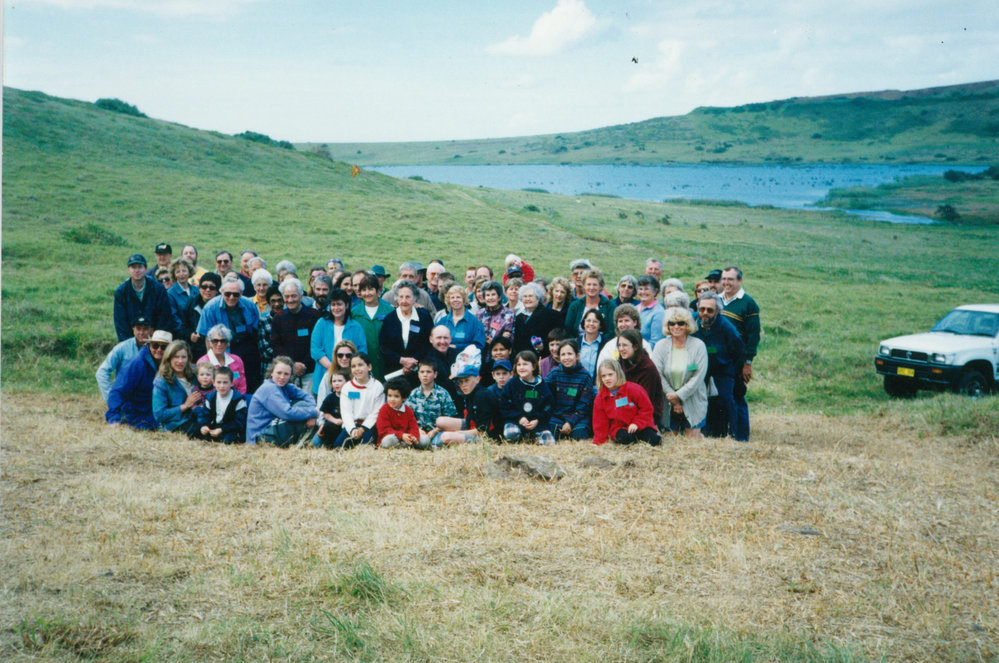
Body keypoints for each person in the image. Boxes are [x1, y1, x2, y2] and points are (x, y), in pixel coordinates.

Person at [693, 292, 744, 440]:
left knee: (727, 400)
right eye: (702, 309)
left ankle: (733, 435)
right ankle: (702, 431)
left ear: (718, 311)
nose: (705, 314)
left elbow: (738, 350)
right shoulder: (693, 323)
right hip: (699, 370)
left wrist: (736, 372)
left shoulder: (728, 329)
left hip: (722, 370)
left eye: (710, 310)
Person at [652, 307, 708, 437]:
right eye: (672, 323)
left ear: (687, 325)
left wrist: (679, 396)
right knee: (670, 442)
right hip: (668, 400)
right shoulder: (660, 345)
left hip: (693, 399)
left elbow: (698, 376)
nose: (676, 326)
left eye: (680, 323)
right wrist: (674, 399)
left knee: (692, 443)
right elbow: (657, 374)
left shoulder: (698, 345)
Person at [196, 278, 261, 391]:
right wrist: (212, 359)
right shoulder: (211, 307)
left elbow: (256, 329)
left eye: (235, 294)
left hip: (246, 345)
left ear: (241, 293)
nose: (231, 297)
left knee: (248, 380)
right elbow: (207, 337)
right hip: (222, 347)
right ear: (221, 292)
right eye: (227, 294)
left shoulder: (249, 305)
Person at [720, 266, 760, 442]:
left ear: (740, 281)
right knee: (721, 397)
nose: (726, 283)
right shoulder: (717, 300)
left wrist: (747, 362)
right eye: (724, 279)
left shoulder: (748, 303)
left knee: (737, 396)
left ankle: (741, 437)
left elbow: (753, 336)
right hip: (718, 358)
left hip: (737, 360)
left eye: (731, 279)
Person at [106, 329, 171, 430]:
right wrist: (114, 418)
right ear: (149, 345)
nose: (159, 349)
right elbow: (118, 391)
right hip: (138, 412)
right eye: (155, 345)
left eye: (164, 347)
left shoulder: (171, 363)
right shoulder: (136, 363)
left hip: (159, 410)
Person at [246, 356, 317, 447]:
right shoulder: (269, 388)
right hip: (260, 438)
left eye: (286, 374)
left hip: (272, 428)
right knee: (300, 408)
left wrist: (312, 411)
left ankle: (301, 443)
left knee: (302, 404)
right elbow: (287, 413)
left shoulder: (285, 386)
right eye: (279, 373)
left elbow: (307, 396)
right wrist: (314, 412)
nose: (282, 377)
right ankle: (303, 443)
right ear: (271, 373)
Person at [309, 287, 366, 394]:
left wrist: (348, 369)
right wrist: (333, 368)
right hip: (324, 374)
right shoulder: (322, 323)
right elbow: (315, 350)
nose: (336, 308)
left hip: (350, 376)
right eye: (333, 305)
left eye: (339, 304)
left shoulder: (356, 326)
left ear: (347, 305)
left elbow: (362, 352)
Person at [592, 359, 660, 446]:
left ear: (618, 374)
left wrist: (637, 423)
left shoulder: (633, 389)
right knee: (625, 439)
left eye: (610, 374)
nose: (607, 378)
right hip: (619, 428)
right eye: (603, 376)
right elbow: (600, 421)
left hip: (639, 424)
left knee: (654, 440)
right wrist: (598, 441)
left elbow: (646, 409)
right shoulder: (600, 398)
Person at [272, 277, 322, 392]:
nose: (290, 300)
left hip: (310, 371)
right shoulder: (278, 318)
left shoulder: (314, 316)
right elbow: (276, 345)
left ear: (301, 296)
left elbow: (317, 344)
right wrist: (292, 365)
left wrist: (303, 364)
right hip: (287, 372)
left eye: (294, 296)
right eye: (287, 296)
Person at [113, 253, 176, 341]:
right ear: (128, 269)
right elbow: (120, 323)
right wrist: (131, 343)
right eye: (133, 267)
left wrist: (155, 340)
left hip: (155, 339)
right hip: (130, 339)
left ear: (145, 269)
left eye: (140, 267)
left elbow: (164, 317)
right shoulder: (121, 292)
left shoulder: (158, 289)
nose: (137, 270)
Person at [379, 281, 433, 382]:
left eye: (408, 297)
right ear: (396, 298)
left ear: (415, 298)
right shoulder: (389, 319)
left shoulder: (424, 317)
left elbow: (428, 343)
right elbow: (383, 346)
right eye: (401, 297)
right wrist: (402, 360)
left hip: (419, 372)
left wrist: (412, 363)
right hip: (395, 371)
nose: (404, 301)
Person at [500, 350, 555, 445]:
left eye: (525, 364)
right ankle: (522, 437)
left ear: (533, 366)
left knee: (549, 442)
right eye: (518, 365)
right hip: (517, 421)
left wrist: (538, 420)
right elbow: (504, 405)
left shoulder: (542, 385)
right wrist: (519, 418)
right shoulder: (512, 384)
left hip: (537, 423)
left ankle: (532, 437)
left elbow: (548, 406)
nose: (521, 367)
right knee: (510, 433)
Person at [436, 364, 498, 445]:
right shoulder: (470, 392)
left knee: (446, 437)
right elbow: (470, 419)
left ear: (477, 379)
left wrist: (457, 432)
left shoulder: (482, 396)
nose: (463, 385)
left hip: (487, 436)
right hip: (473, 425)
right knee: (440, 421)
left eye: (467, 380)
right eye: (461, 382)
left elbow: (483, 431)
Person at [616, 328, 666, 428]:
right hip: (625, 407)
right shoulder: (621, 362)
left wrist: (619, 403)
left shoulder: (647, 369)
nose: (621, 349)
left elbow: (645, 402)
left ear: (635, 347)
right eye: (619, 345)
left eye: (625, 345)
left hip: (645, 413)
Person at [545, 340, 595, 440]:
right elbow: (544, 393)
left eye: (569, 354)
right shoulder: (554, 374)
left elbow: (584, 406)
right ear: (559, 357)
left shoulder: (585, 376)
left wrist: (570, 422)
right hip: (558, 415)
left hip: (578, 417)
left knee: (579, 435)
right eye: (563, 354)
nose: (566, 357)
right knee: (550, 433)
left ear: (577, 356)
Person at [97, 316, 154, 402]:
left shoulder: (158, 349)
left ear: (151, 330)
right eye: (138, 329)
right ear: (133, 330)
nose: (141, 332)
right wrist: (111, 398)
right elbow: (102, 372)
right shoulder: (122, 348)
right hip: (126, 397)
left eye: (145, 329)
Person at [152, 340, 203, 434]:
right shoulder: (161, 381)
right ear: (169, 358)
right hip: (177, 425)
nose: (180, 361)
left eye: (183, 357)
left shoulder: (195, 373)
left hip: (199, 417)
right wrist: (185, 406)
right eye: (176, 357)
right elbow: (159, 415)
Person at [405, 358, 458, 449]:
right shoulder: (413, 394)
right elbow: (407, 417)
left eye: (429, 372)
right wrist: (417, 429)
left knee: (439, 443)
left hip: (437, 432)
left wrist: (435, 431)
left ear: (435, 374)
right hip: (418, 431)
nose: (425, 375)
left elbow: (450, 418)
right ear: (418, 374)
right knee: (417, 441)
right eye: (422, 372)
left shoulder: (443, 394)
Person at [336, 352, 385, 448]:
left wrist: (362, 429)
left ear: (369, 367)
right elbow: (346, 412)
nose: (357, 369)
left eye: (360, 365)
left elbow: (377, 411)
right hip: (352, 426)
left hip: (369, 426)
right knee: (338, 447)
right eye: (353, 366)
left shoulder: (377, 386)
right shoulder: (347, 387)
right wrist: (352, 429)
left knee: (366, 447)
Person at [351, 273, 394, 380]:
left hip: (386, 363)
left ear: (378, 291)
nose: (367, 293)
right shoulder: (354, 313)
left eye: (370, 289)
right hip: (362, 363)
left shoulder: (389, 311)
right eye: (364, 290)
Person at [192, 365, 247, 444]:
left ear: (231, 383)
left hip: (230, 428)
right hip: (215, 426)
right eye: (219, 382)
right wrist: (204, 425)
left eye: (225, 382)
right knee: (195, 431)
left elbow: (239, 421)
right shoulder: (211, 397)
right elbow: (204, 414)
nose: (222, 386)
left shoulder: (238, 399)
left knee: (229, 439)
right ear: (213, 382)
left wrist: (222, 429)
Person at [595, 304, 651, 372]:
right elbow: (601, 370)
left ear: (635, 322)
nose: (623, 325)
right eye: (620, 321)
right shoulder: (609, 346)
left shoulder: (644, 345)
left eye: (626, 320)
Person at [196, 324, 248, 394]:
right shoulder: (202, 362)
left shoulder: (237, 360)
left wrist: (237, 400)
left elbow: (242, 385)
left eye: (223, 341)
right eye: (215, 341)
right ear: (210, 343)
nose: (219, 344)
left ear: (228, 343)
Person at [513, 282, 558, 357]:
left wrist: (544, 346)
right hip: (522, 359)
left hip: (542, 357)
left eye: (531, 296)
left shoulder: (550, 315)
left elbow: (556, 337)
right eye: (525, 296)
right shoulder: (518, 317)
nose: (527, 299)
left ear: (538, 298)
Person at [376, 378, 425, 449]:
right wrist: (401, 435)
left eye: (396, 396)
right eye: (389, 396)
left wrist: (413, 436)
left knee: (424, 440)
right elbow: (384, 430)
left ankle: (406, 445)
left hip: (406, 438)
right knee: (389, 440)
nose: (392, 399)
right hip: (391, 437)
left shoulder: (408, 410)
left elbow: (413, 426)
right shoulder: (384, 409)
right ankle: (405, 447)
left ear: (404, 398)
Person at [437, 283, 486, 353]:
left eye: (458, 297)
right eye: (452, 297)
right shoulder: (443, 321)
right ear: (448, 301)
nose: (455, 300)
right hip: (444, 358)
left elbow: (479, 345)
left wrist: (457, 347)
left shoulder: (474, 322)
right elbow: (434, 340)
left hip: (467, 359)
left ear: (464, 299)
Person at [564, 268, 615, 334]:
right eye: (589, 284)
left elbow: (611, 331)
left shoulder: (609, 306)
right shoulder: (575, 305)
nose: (591, 288)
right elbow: (568, 329)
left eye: (595, 285)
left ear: (601, 287)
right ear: (584, 285)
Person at [181, 272, 221, 345]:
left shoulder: (221, 305)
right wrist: (190, 335)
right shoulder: (192, 302)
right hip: (195, 346)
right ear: (199, 288)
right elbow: (183, 324)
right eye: (204, 287)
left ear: (217, 290)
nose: (207, 290)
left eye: (212, 287)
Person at [314, 369, 347, 448]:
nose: (336, 383)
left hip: (347, 424)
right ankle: (329, 446)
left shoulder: (351, 395)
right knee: (328, 427)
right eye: (334, 381)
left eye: (339, 381)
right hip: (335, 423)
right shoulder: (330, 398)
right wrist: (335, 421)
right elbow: (326, 413)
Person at [475, 280, 515, 345]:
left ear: (499, 297)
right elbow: (475, 334)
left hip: (500, 351)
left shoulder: (509, 313)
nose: (490, 298)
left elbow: (508, 337)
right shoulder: (479, 314)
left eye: (493, 295)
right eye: (487, 295)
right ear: (484, 298)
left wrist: (494, 342)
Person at [426, 325, 459, 401]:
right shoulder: (427, 362)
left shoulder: (457, 355)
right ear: (431, 339)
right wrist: (451, 378)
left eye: (445, 338)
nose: (442, 341)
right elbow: (435, 390)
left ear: (450, 339)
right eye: (439, 338)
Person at [636, 274, 666, 346]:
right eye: (640, 289)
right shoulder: (634, 309)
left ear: (654, 292)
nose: (643, 292)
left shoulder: (659, 312)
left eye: (646, 289)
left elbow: (656, 342)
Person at [165, 258, 196, 325]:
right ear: (174, 275)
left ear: (189, 272)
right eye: (178, 272)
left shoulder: (196, 290)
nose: (181, 274)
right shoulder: (170, 294)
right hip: (182, 332)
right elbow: (174, 317)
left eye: (184, 271)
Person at [577, 309, 607, 377]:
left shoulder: (606, 344)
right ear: (584, 323)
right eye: (588, 320)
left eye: (595, 321)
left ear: (600, 325)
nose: (591, 324)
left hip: (598, 385)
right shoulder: (575, 343)